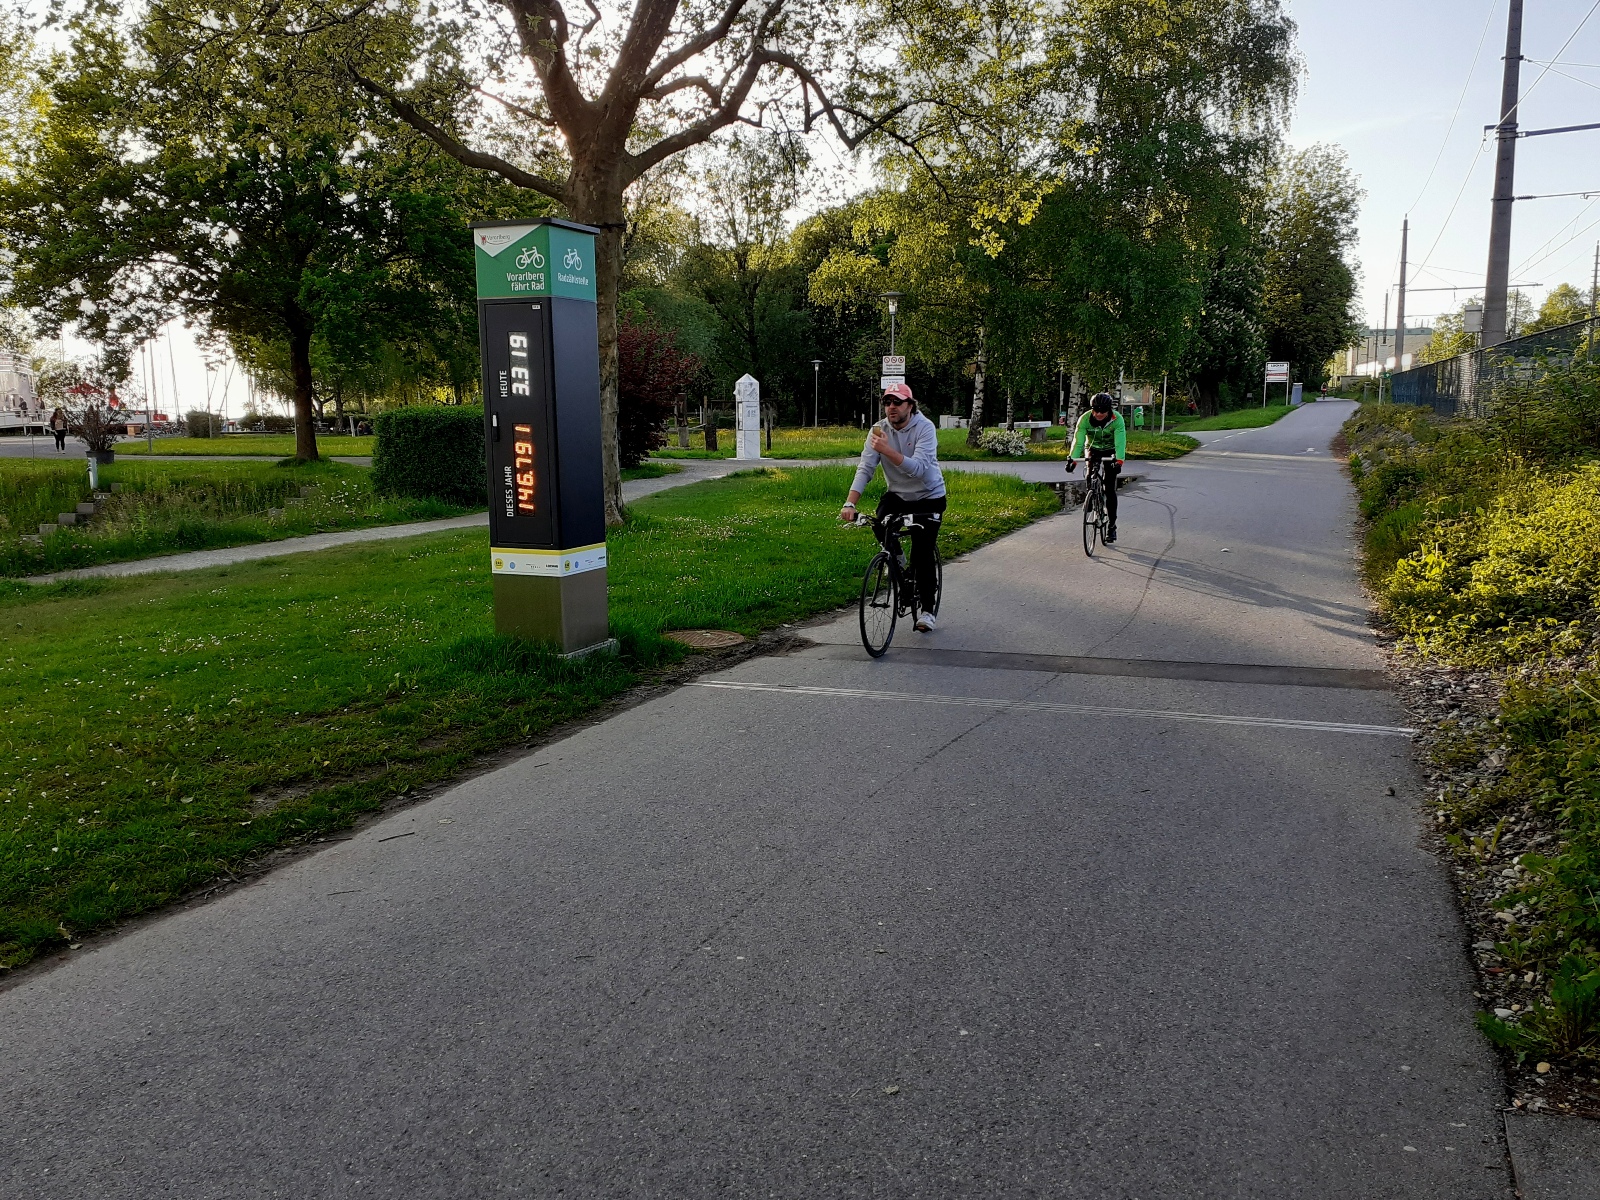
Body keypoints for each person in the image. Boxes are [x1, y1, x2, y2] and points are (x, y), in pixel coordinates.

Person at [839, 381, 946, 632]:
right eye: (887, 402)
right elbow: (866, 468)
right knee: (879, 522)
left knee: (922, 553)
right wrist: (850, 503)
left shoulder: (925, 427)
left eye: (897, 402)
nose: (891, 407)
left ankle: (927, 611)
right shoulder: (878, 430)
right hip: (898, 495)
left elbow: (918, 469)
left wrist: (887, 450)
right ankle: (896, 556)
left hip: (929, 496)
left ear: (910, 405)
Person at [1066, 392, 1126, 544]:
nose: (1099, 414)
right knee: (1089, 475)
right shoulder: (1084, 419)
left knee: (1109, 487)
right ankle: (1092, 498)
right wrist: (1072, 459)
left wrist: (1119, 461)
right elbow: (1078, 441)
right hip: (1093, 448)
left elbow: (1120, 442)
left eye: (1103, 411)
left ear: (1109, 410)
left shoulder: (1117, 419)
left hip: (1111, 450)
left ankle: (1112, 526)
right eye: (1096, 410)